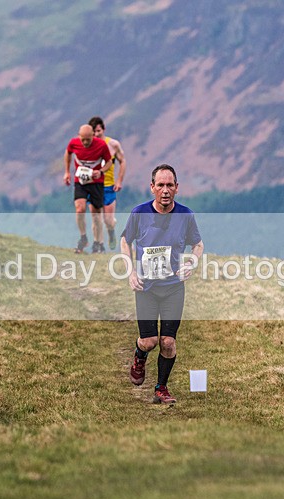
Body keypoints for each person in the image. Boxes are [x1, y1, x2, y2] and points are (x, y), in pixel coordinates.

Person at [119, 164, 204, 404]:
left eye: (169, 185)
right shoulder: (139, 213)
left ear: (177, 188)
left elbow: (198, 244)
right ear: (152, 188)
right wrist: (131, 272)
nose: (165, 190)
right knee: (149, 342)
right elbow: (125, 241)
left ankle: (161, 388)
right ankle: (139, 355)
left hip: (173, 287)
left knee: (167, 341)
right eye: (160, 185)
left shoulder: (185, 215)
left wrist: (192, 263)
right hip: (146, 288)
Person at [64, 124, 112, 253]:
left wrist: (101, 171)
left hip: (96, 182)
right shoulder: (73, 143)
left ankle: (97, 242)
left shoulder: (101, 145)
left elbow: (109, 162)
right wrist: (67, 172)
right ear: (79, 136)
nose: (85, 142)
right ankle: (83, 237)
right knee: (79, 208)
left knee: (96, 214)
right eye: (83, 139)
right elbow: (68, 153)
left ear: (93, 136)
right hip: (80, 181)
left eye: (88, 139)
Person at [88, 116, 126, 250]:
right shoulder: (88, 145)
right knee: (96, 219)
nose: (96, 134)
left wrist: (119, 180)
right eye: (94, 132)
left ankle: (111, 232)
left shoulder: (113, 145)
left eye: (98, 131)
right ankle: (99, 246)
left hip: (108, 187)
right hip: (93, 186)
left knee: (108, 220)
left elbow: (123, 161)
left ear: (103, 129)